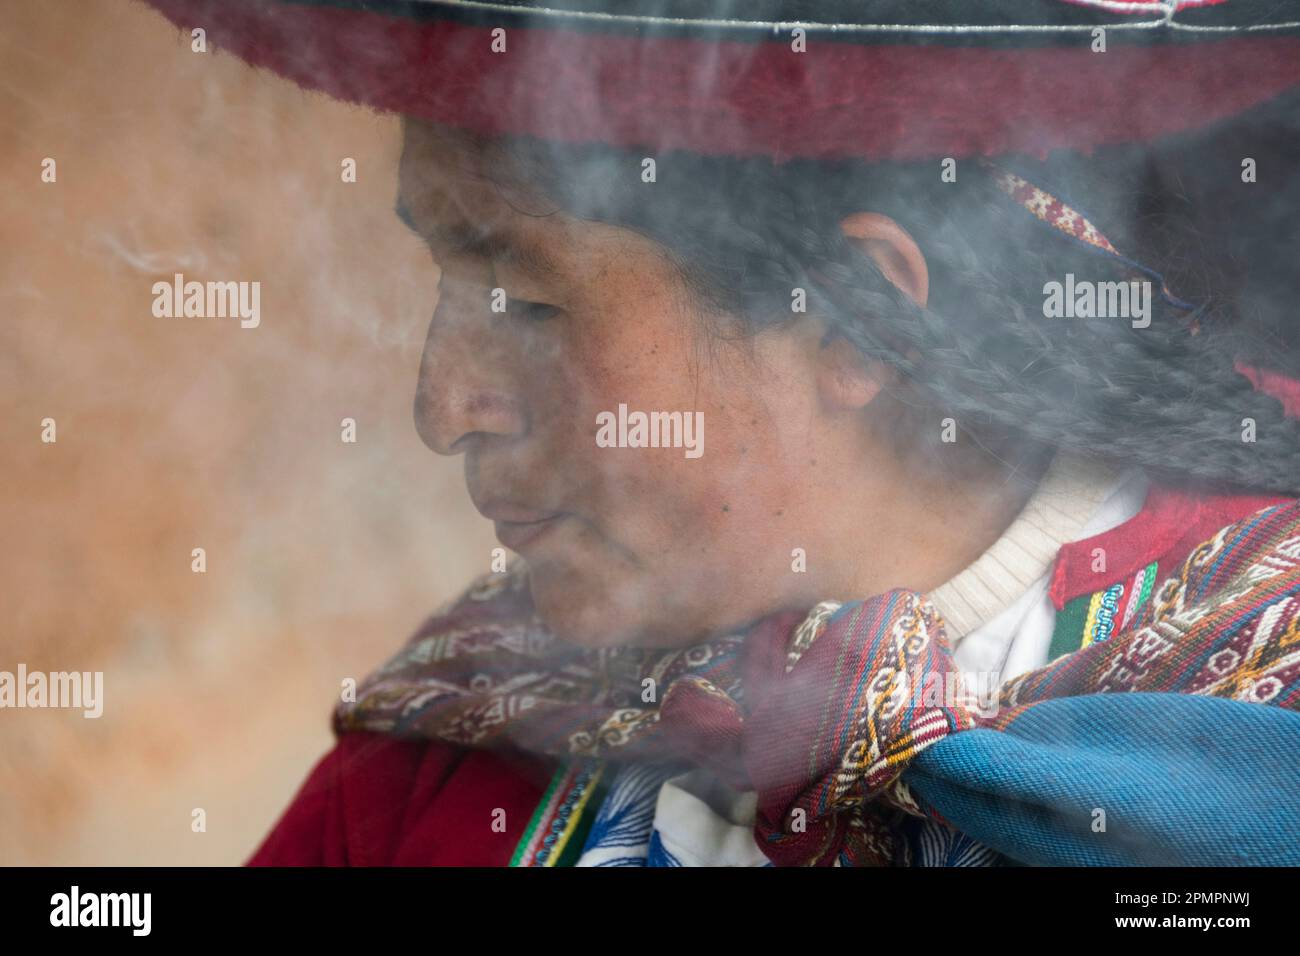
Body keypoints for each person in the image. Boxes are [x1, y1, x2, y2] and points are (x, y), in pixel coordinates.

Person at [143, 0, 1300, 866]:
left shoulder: (1262, 702)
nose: (442, 408)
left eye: (533, 302)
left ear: (864, 320)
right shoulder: (440, 765)